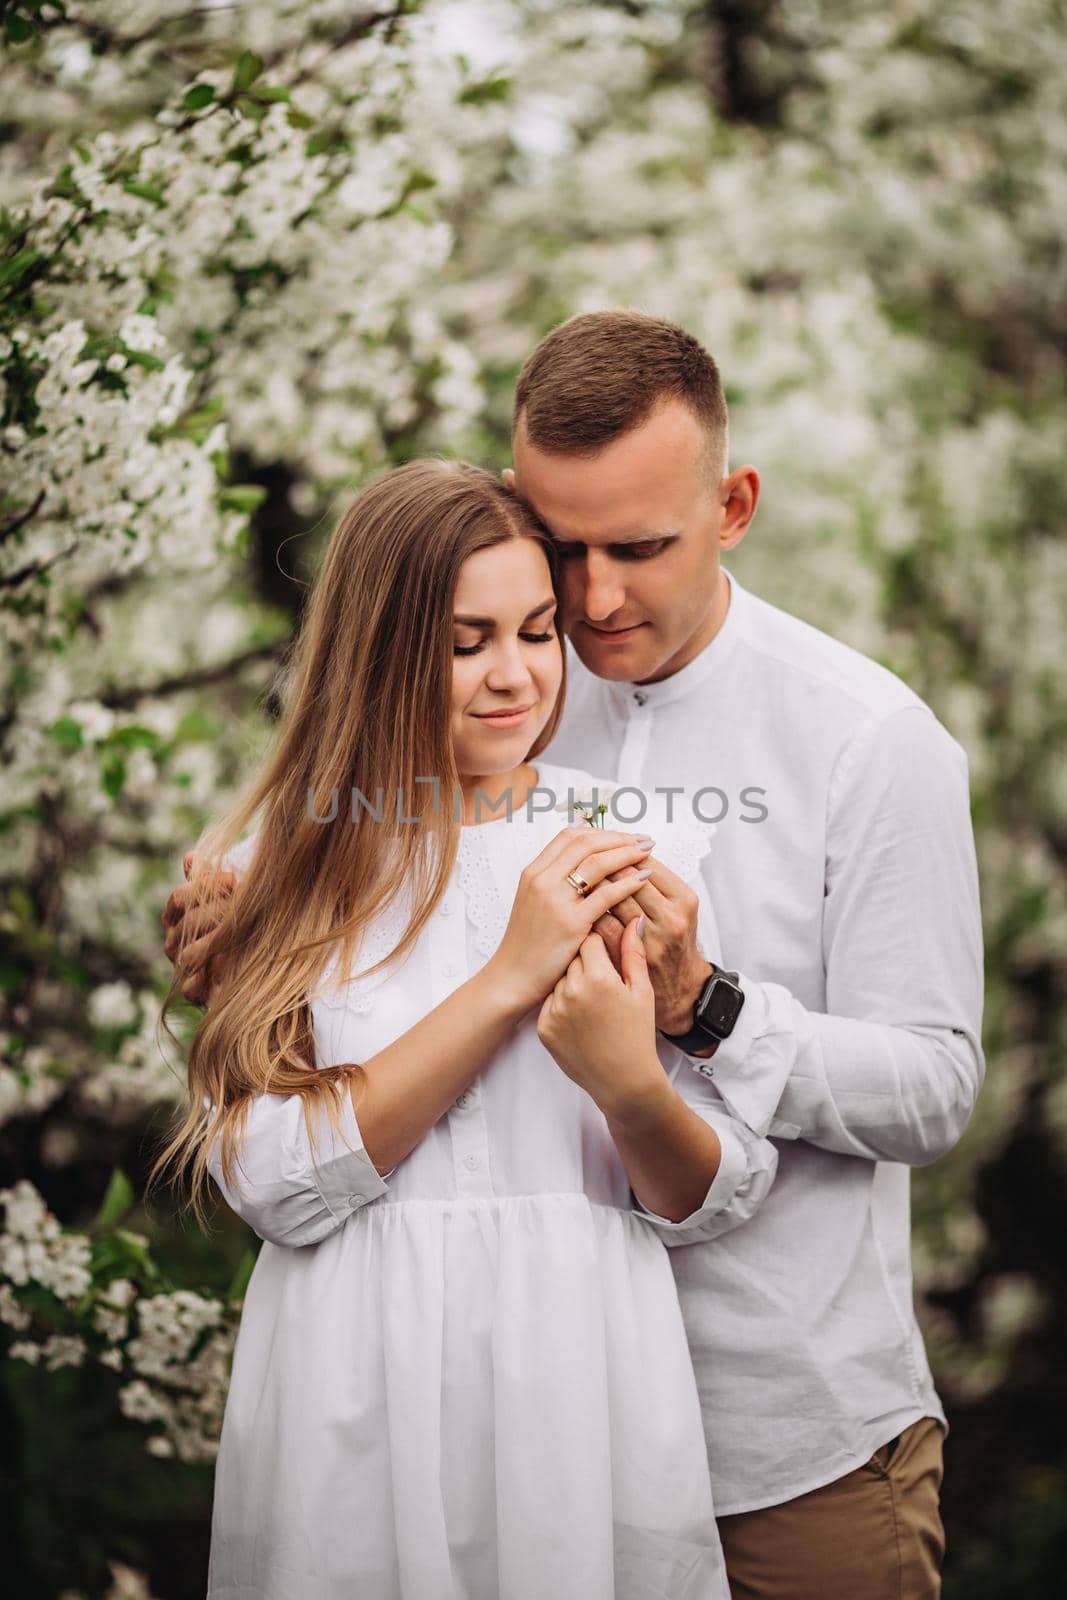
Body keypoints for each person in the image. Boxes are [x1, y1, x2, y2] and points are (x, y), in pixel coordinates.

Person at [164, 312, 985, 1600]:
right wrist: (244, 927)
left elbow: (933, 1089)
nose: (593, 600)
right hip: (493, 1429)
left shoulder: (865, 741)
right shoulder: (505, 679)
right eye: (564, 552)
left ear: (733, 505)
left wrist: (702, 1008)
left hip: (787, 1428)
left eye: (640, 548)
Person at [155, 459, 777, 1600]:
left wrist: (631, 1090)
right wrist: (506, 980)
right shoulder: (276, 869)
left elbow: (714, 1193)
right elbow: (273, 1181)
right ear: (381, 650)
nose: (515, 676)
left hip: (578, 1378)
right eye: (464, 642)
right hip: (355, 1385)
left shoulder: (627, 847)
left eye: (536, 632)